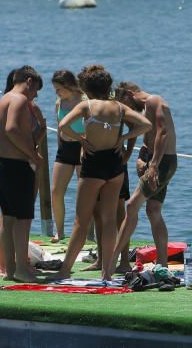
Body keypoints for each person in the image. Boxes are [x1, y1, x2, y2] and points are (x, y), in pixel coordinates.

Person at [52, 64, 151, 281]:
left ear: (87, 88)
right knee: (108, 220)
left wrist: (81, 140)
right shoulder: (119, 107)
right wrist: (123, 140)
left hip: (94, 164)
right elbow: (145, 124)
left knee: (81, 220)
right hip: (114, 164)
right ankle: (107, 271)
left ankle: (65, 269)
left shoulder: (87, 105)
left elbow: (63, 126)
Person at [0, 66, 45, 282]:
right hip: (16, 165)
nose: (35, 95)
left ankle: (11, 269)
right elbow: (12, 129)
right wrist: (33, 155)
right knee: (22, 218)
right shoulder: (19, 99)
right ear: (29, 81)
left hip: (0, 162)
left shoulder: (2, 100)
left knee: (10, 218)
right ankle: (21, 268)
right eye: (35, 90)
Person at [111, 81, 179, 269]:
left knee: (132, 205)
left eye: (126, 105)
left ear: (128, 94)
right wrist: (141, 158)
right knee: (153, 210)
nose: (128, 110)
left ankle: (113, 262)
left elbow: (163, 132)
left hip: (163, 161)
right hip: (156, 160)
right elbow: (148, 137)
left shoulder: (154, 101)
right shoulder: (146, 109)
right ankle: (163, 264)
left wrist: (154, 165)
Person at [50, 70, 85, 243]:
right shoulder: (59, 102)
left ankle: (88, 232)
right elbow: (59, 127)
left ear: (68, 86)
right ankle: (60, 231)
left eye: (58, 89)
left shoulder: (85, 101)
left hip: (83, 146)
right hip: (65, 148)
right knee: (56, 191)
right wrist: (60, 146)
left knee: (84, 193)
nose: (57, 93)